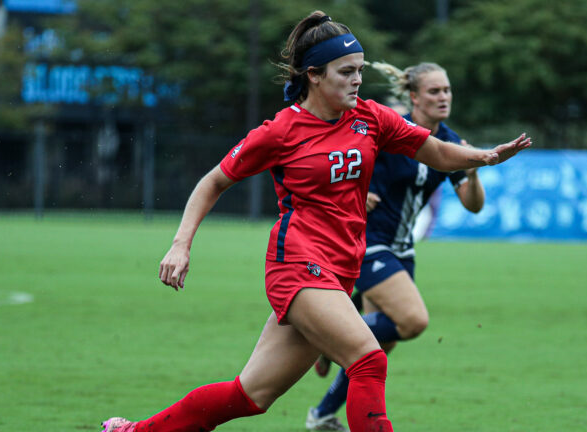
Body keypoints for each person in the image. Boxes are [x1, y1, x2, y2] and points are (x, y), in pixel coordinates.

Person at [101, 11, 531, 432]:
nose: (357, 80)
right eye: (347, 71)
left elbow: (434, 151)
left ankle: (135, 431)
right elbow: (213, 182)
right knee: (369, 359)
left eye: (360, 70)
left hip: (341, 268)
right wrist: (181, 243)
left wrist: (486, 156)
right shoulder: (281, 132)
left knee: (250, 396)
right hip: (298, 265)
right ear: (314, 75)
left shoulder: (371, 117)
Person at [305, 61, 488, 431]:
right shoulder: (389, 129)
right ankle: (328, 337)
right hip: (369, 243)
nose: (443, 97)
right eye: (434, 91)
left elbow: (473, 204)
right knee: (412, 321)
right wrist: (359, 188)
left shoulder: (449, 142)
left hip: (403, 251)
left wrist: (472, 171)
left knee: (377, 349)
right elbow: (344, 156)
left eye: (447, 90)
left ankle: (322, 415)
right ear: (413, 96)